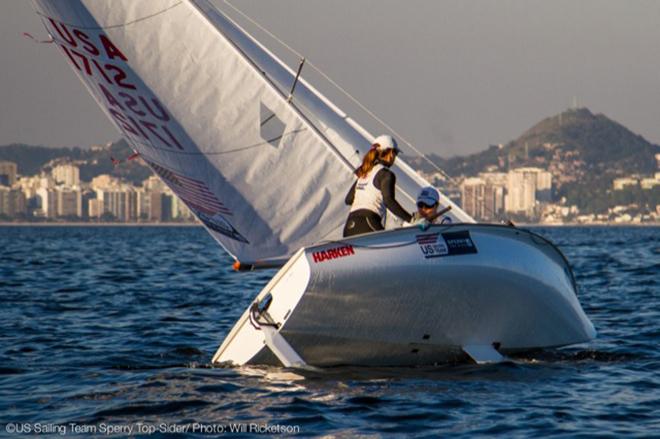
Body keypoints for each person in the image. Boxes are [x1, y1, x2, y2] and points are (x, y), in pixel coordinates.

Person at [343, 135, 412, 237]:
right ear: (390, 153)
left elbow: (348, 199)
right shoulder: (386, 174)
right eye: (395, 153)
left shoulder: (364, 173)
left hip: (349, 227)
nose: (395, 157)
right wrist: (411, 220)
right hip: (368, 224)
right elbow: (389, 201)